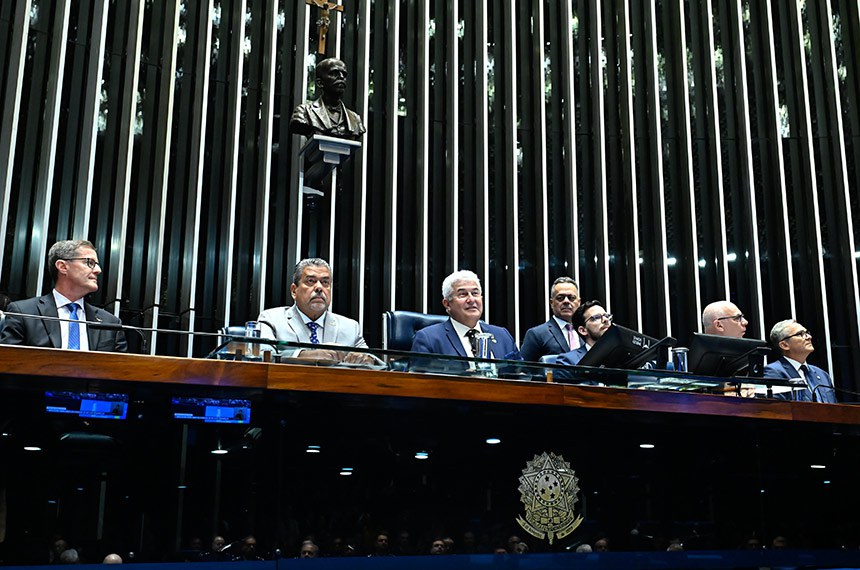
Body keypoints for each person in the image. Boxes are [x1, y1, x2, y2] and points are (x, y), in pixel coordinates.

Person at [0, 240, 127, 352]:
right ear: (62, 266)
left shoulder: (110, 322)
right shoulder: (24, 313)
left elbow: (122, 372)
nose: (98, 270)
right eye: (90, 263)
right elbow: (9, 364)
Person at [258, 258, 369, 361]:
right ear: (294, 291)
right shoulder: (271, 319)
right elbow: (263, 356)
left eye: (325, 282)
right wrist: (309, 355)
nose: (319, 288)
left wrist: (367, 360)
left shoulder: (350, 327)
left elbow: (375, 363)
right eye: (311, 281)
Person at [410, 270, 519, 360]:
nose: (471, 299)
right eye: (463, 294)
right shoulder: (429, 339)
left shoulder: (503, 336)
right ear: (447, 304)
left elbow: (521, 375)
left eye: (475, 293)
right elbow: (421, 383)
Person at [289, 58, 366, 140]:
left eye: (344, 74)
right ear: (320, 83)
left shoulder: (355, 119)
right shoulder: (304, 112)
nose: (341, 77)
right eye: (334, 73)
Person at [763, 320, 836, 403]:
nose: (809, 337)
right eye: (800, 334)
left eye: (807, 333)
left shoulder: (822, 374)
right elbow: (777, 409)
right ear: (784, 345)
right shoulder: (773, 372)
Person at [519, 277, 582, 362]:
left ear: (579, 302)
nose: (566, 301)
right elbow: (524, 370)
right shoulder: (536, 334)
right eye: (560, 298)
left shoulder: (586, 332)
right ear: (551, 303)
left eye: (571, 298)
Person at [555, 301, 612, 366]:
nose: (606, 320)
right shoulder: (568, 361)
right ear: (582, 330)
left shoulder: (622, 357)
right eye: (596, 317)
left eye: (607, 316)